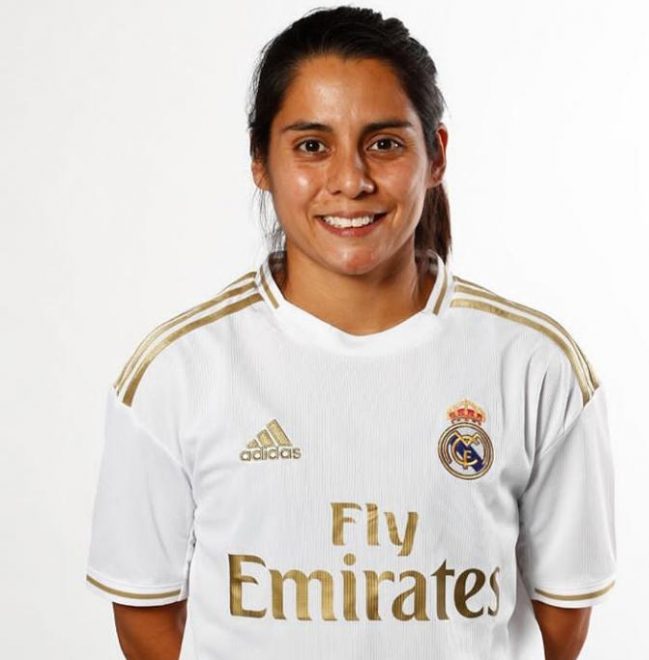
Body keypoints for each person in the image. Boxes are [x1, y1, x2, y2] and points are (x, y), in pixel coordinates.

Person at [85, 6, 616, 659]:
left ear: (435, 155)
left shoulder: (534, 366)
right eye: (312, 146)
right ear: (260, 161)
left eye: (384, 143)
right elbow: (146, 616)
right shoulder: (180, 373)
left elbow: (562, 620)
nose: (350, 181)